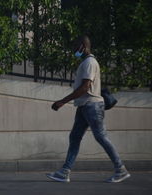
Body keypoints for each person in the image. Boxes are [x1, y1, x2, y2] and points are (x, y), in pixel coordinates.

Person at [46, 35, 130, 183]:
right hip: (84, 106)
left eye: (75, 46)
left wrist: (62, 101)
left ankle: (121, 169)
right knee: (75, 137)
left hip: (92, 106)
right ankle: (64, 172)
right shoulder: (85, 62)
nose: (73, 49)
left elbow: (85, 87)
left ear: (83, 47)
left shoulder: (90, 62)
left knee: (101, 137)